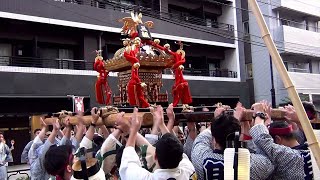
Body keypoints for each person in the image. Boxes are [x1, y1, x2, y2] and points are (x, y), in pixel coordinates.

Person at [191, 105, 274, 180]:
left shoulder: (201, 158)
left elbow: (201, 139)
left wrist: (218, 120)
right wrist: (259, 117)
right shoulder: (251, 164)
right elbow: (268, 151)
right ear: (239, 137)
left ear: (214, 140)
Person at [119, 108, 196, 180]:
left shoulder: (148, 178)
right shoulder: (188, 171)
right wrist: (161, 124)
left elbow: (127, 165)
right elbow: (176, 150)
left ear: (155, 156)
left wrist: (133, 130)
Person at [250, 103, 313, 179]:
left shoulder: (290, 158)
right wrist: (299, 120)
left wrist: (259, 114)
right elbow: (313, 138)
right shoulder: (311, 150)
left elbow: (264, 141)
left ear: (277, 140)